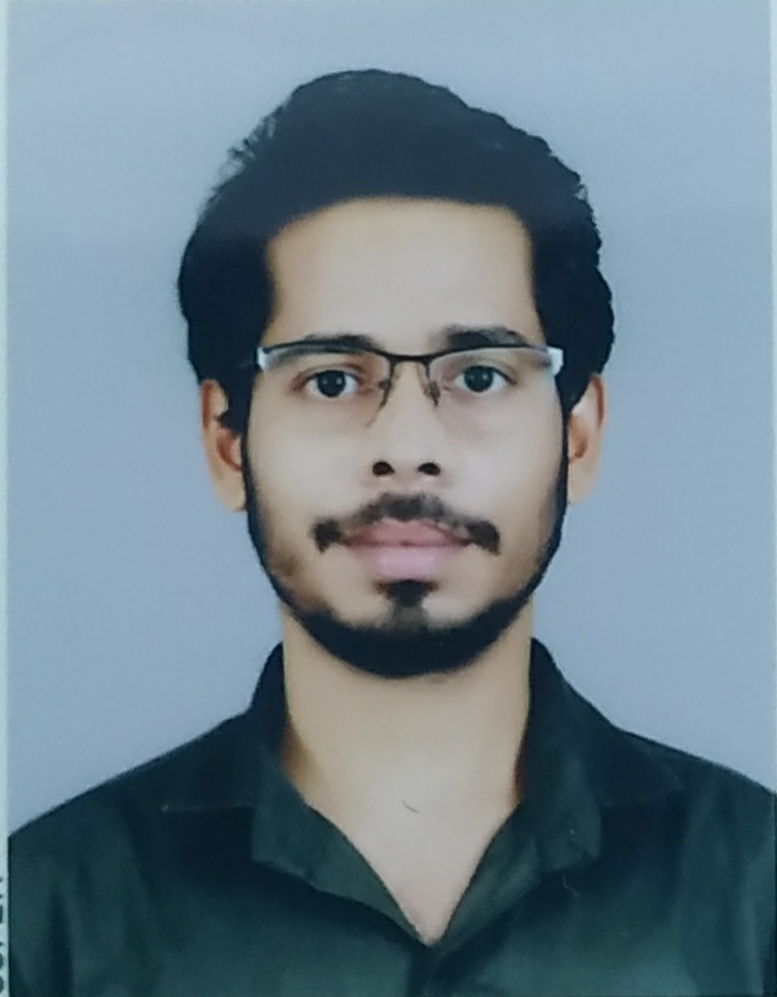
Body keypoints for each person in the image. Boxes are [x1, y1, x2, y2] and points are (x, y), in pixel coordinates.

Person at [10, 69, 775, 997]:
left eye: (479, 375)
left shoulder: (753, 887)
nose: (407, 448)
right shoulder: (50, 907)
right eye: (332, 379)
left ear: (577, 436)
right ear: (226, 440)